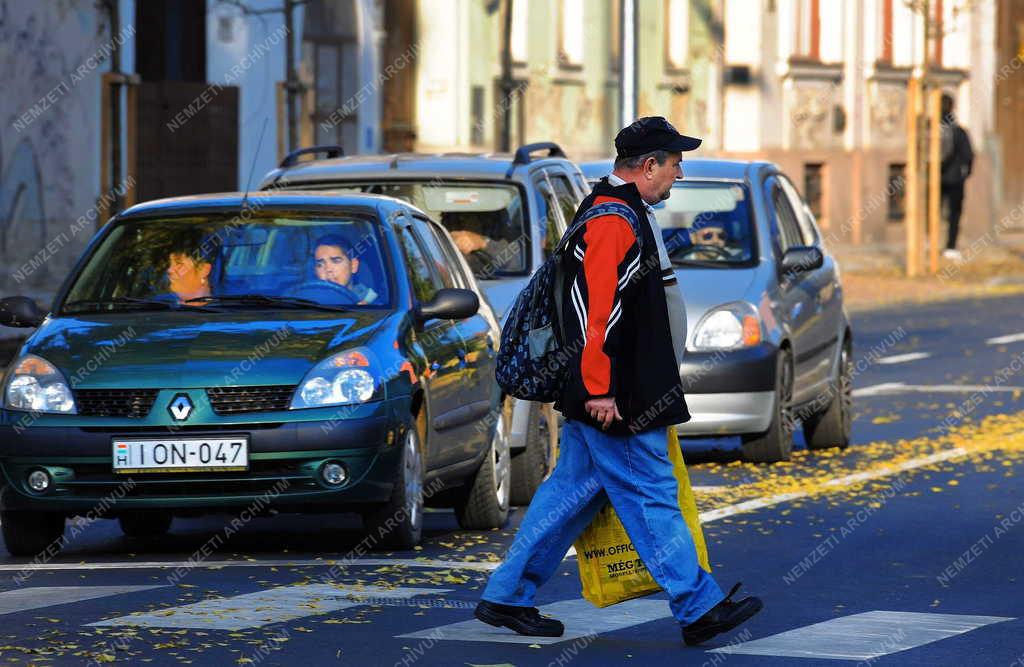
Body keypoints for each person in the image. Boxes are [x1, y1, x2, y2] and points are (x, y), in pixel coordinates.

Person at [474, 117, 762, 647]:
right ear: (648, 165)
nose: (679, 173)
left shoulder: (618, 212)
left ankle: (507, 595)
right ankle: (698, 607)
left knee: (568, 495)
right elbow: (595, 314)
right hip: (620, 399)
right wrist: (600, 389)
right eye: (674, 163)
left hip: (614, 393)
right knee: (652, 496)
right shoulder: (614, 221)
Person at [939, 93, 974, 260]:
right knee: (954, 213)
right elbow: (968, 155)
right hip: (955, 179)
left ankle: (931, 242)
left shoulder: (931, 128)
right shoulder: (958, 131)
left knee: (933, 211)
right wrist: (966, 173)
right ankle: (950, 246)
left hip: (936, 178)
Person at [313, 234, 378, 304]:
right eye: (320, 265)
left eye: (336, 261)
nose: (328, 269)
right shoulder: (308, 301)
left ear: (353, 266)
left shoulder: (372, 302)